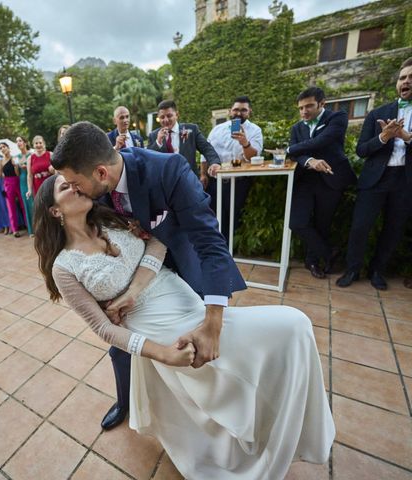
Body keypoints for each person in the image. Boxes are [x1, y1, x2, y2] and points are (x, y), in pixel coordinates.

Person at [34, 170, 335, 479]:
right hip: (155, 326)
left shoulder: (112, 219)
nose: (76, 186)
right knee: (225, 373)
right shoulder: (64, 267)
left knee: (286, 330)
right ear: (55, 210)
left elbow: (157, 244)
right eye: (64, 187)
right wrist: (161, 353)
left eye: (74, 180)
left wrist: (135, 288)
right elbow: (103, 328)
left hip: (181, 295)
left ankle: (268, 425)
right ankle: (230, 447)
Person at [53, 121, 246, 432]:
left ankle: (210, 408)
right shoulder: (90, 190)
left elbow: (210, 242)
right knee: (121, 348)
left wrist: (213, 320)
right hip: (130, 274)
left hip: (181, 263)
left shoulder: (168, 169)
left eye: (75, 183)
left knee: (199, 334)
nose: (74, 189)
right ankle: (126, 402)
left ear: (102, 173)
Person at [337, 58, 412, 290]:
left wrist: (406, 137)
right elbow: (361, 149)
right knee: (361, 226)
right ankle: (352, 269)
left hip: (405, 181)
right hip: (375, 179)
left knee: (394, 228)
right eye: (403, 78)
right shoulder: (378, 113)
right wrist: (384, 137)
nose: (406, 82)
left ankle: (377, 271)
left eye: (411, 78)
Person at [286, 87, 357, 279]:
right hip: (306, 180)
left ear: (322, 103)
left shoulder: (338, 117)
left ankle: (312, 262)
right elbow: (297, 156)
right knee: (297, 222)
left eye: (308, 106)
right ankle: (329, 253)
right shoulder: (296, 128)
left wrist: (291, 148)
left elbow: (323, 141)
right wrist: (309, 161)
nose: (304, 112)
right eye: (300, 108)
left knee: (322, 224)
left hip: (331, 178)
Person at [202, 96, 264, 244]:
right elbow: (206, 153)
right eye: (236, 109)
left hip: (238, 183)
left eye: (243, 110)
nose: (239, 113)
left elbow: (253, 157)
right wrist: (203, 174)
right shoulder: (217, 129)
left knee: (233, 218)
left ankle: (228, 250)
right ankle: (215, 248)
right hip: (215, 181)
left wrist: (245, 143)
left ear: (249, 112)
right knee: (213, 217)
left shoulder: (255, 130)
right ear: (230, 111)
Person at [147, 99, 221, 179]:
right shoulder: (153, 135)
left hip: (189, 180)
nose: (166, 120)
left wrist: (214, 163)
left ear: (177, 114)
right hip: (165, 183)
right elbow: (148, 159)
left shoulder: (191, 130)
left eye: (169, 116)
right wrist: (158, 142)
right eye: (162, 117)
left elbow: (206, 148)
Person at [0, 142, 25, 237]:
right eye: (1, 148)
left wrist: (15, 166)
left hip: (17, 182)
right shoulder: (1, 161)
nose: (3, 149)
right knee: (11, 207)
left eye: (4, 146)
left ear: (8, 148)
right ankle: (15, 230)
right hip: (8, 184)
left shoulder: (15, 157)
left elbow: (17, 173)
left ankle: (29, 226)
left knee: (23, 205)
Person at [16, 136, 34, 236]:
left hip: (31, 180)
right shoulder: (17, 157)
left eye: (20, 141)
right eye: (17, 141)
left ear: (25, 142)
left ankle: (40, 228)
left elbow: (34, 168)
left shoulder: (31, 154)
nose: (18, 143)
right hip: (22, 181)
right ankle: (31, 230)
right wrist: (16, 166)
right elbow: (17, 173)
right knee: (26, 205)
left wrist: (27, 167)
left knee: (34, 204)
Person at [27, 135, 53, 199]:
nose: (38, 145)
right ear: (33, 145)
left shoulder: (50, 154)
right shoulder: (30, 158)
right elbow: (29, 175)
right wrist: (29, 189)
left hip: (50, 183)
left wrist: (53, 169)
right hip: (38, 186)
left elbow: (58, 170)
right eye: (36, 143)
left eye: (40, 143)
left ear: (43, 144)